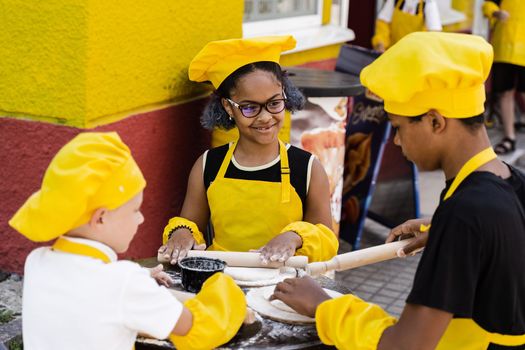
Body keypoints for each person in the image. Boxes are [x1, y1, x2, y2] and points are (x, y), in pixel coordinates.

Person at [271, 32, 525, 349]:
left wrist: (322, 306)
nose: (396, 141)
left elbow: (406, 345)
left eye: (398, 126)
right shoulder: (510, 180)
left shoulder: (464, 214)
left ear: (435, 121)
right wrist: (440, 232)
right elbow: (502, 245)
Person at [9, 132, 246, 350]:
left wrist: (141, 277)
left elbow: (86, 289)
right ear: (100, 218)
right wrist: (225, 287)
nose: (141, 219)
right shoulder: (124, 283)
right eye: (134, 210)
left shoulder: (36, 262)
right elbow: (198, 328)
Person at [158, 35, 339, 266]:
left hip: (282, 287)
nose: (265, 117)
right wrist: (181, 233)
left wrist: (293, 237)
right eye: (250, 107)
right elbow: (189, 223)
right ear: (228, 107)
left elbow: (326, 239)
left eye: (274, 103)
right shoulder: (208, 165)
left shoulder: (307, 168)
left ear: (285, 95)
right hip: (220, 282)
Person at [483, 0, 525, 155]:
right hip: (504, 47)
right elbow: (488, 4)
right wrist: (495, 12)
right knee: (505, 92)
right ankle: (509, 137)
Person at [372, 0, 442, 52]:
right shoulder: (395, 1)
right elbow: (383, 23)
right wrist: (380, 43)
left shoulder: (429, 3)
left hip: (415, 56)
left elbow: (434, 34)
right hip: (392, 52)